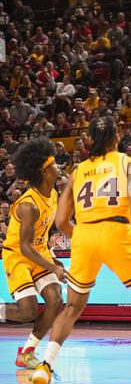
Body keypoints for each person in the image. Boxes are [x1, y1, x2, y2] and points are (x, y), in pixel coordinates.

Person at [32, 117, 131, 384]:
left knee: (72, 307)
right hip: (117, 232)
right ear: (118, 139)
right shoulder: (128, 163)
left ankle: (45, 367)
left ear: (90, 140)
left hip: (83, 235)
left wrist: (84, 237)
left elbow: (60, 221)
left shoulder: (78, 171)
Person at [0, 139, 66, 369]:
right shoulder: (28, 205)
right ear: (44, 171)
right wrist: (54, 268)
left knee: (55, 299)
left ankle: (27, 352)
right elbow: (25, 246)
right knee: (28, 311)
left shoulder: (54, 195)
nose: (59, 167)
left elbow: (41, 236)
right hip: (18, 256)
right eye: (54, 163)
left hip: (38, 252)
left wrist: (51, 257)